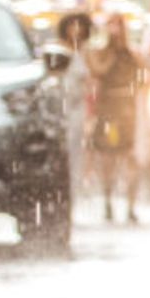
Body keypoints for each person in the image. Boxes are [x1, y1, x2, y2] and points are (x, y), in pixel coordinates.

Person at [85, 13, 143, 222]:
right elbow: (98, 71)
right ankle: (108, 201)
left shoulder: (132, 54)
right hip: (109, 111)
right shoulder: (101, 53)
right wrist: (111, 50)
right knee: (108, 158)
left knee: (131, 159)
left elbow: (143, 78)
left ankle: (131, 206)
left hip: (129, 111)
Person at [54, 12, 94, 199]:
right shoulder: (58, 51)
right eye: (73, 25)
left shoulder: (87, 53)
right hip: (61, 107)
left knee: (77, 154)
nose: (76, 30)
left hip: (80, 108)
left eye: (80, 26)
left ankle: (74, 194)